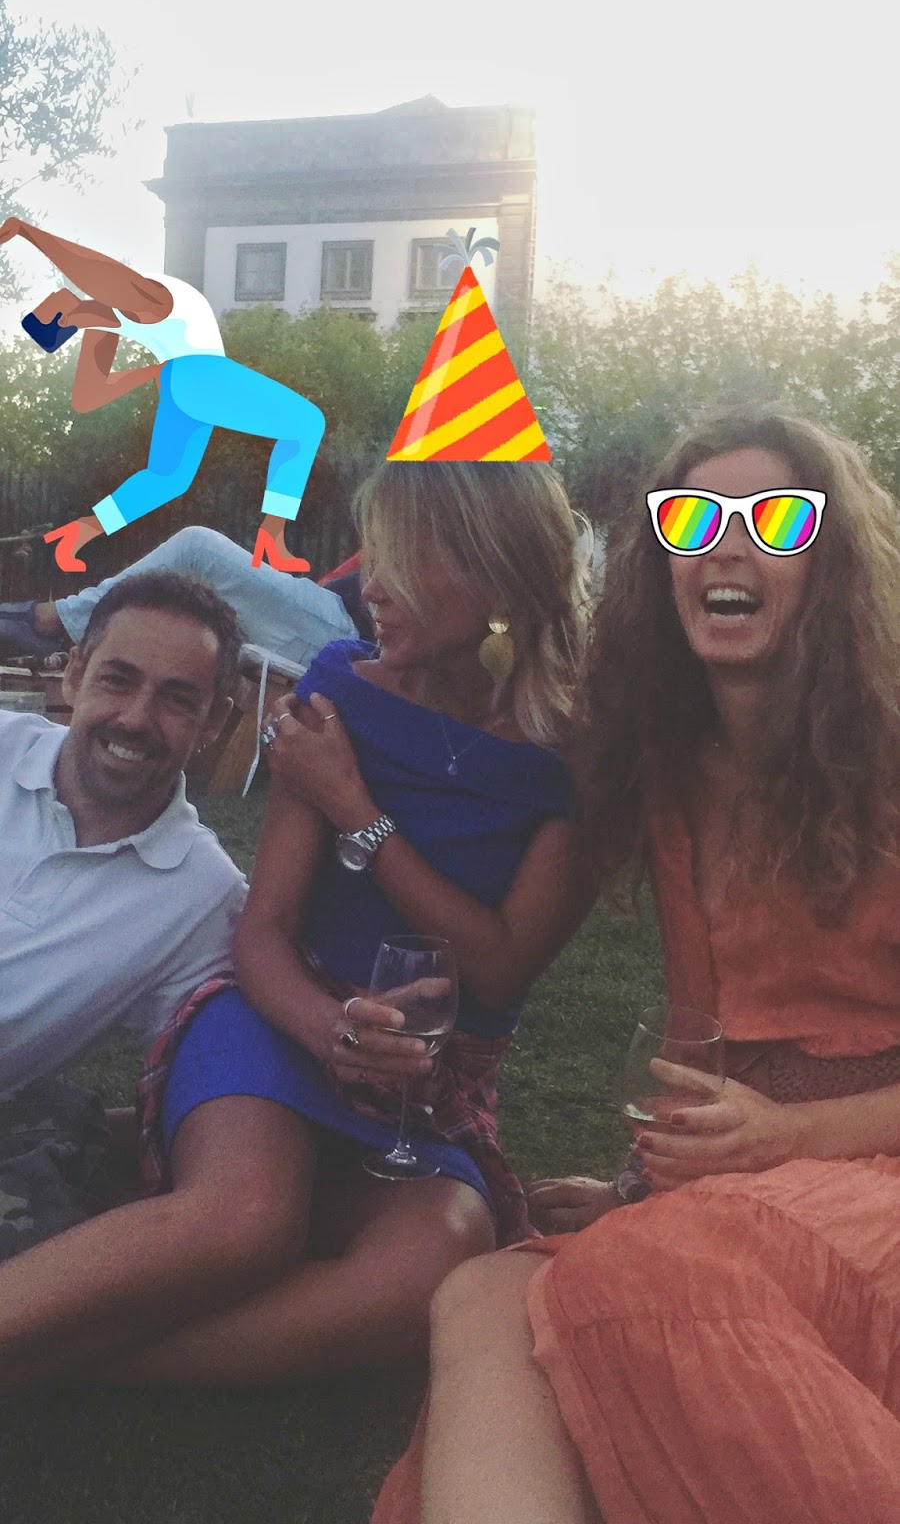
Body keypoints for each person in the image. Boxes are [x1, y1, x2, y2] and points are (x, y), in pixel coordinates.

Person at [371, 406, 900, 1524]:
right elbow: (705, 1032)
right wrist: (637, 1182)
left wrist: (789, 1137)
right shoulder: (673, 774)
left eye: (777, 520)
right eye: (693, 518)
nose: (727, 543)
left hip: (870, 1167)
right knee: (483, 1295)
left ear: (831, 564)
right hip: (745, 1174)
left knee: (639, 1274)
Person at [0, 460, 595, 1390]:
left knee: (434, 1258)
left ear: (495, 572)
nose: (370, 585)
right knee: (247, 1219)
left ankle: (95, 1366)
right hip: (280, 1015)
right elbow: (266, 931)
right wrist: (329, 1028)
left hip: (428, 1077)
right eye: (372, 554)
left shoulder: (580, 757)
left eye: (400, 558)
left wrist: (357, 810)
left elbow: (499, 967)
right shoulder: (340, 691)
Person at [0, 569, 248, 1253]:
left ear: (215, 722)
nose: (136, 719)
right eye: (117, 679)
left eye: (177, 698)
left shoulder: (202, 898)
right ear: (75, 674)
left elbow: (230, 1071)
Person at [0, 217, 325, 573]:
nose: (71, 325)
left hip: (181, 385)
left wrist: (28, 232)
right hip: (198, 375)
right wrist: (150, 370)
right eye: (66, 326)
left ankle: (82, 531)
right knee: (306, 423)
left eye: (66, 320)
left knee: (166, 478)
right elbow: (88, 396)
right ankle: (272, 534)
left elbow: (92, 269)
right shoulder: (104, 323)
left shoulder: (149, 296)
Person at [0, 527, 367, 665]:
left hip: (347, 631)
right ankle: (64, 629)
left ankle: (54, 623)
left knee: (197, 549)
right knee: (187, 595)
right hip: (330, 610)